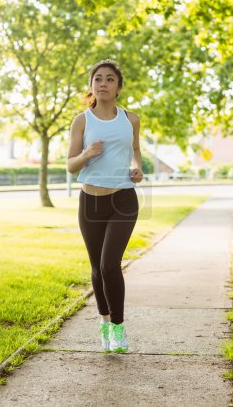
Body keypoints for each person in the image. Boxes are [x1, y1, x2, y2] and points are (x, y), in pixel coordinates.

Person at [67, 59, 143, 353]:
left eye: (109, 79)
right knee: (97, 268)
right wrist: (86, 154)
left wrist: (137, 167)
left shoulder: (131, 119)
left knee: (111, 264)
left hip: (123, 198)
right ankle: (104, 320)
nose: (103, 83)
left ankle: (119, 328)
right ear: (91, 86)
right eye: (97, 78)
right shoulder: (82, 121)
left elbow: (135, 151)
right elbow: (71, 165)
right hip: (90, 201)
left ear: (118, 87)